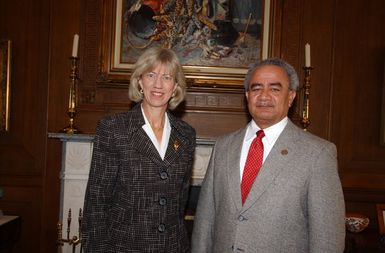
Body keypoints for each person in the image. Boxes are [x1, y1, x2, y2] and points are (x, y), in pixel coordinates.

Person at [191, 58, 345, 253]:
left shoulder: (318, 154)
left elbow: (327, 240)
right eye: (256, 88)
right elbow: (205, 220)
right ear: (247, 96)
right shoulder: (224, 146)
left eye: (274, 89)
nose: (264, 96)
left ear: (291, 97)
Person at [81, 47, 196, 253]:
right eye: (151, 75)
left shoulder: (186, 134)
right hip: (124, 246)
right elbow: (96, 203)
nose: (158, 84)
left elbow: (181, 201)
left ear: (175, 86)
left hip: (173, 246)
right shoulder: (114, 128)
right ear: (140, 81)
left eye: (167, 77)